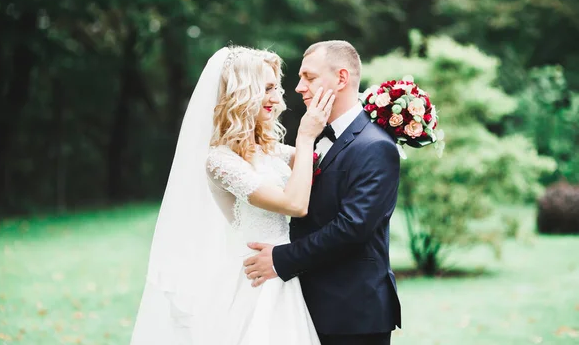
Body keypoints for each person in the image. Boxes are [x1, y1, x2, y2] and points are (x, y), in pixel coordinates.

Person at [130, 45, 334, 345]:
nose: (277, 97)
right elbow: (295, 204)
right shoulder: (220, 161)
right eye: (266, 88)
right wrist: (305, 137)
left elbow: (325, 161)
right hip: (257, 282)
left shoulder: (270, 150)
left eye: (276, 87)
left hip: (287, 271)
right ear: (242, 93)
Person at [244, 40, 402, 345]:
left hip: (352, 315)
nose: (299, 88)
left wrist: (280, 259)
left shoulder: (375, 145)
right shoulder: (314, 135)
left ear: (341, 78)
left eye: (309, 78)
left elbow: (352, 228)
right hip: (306, 306)